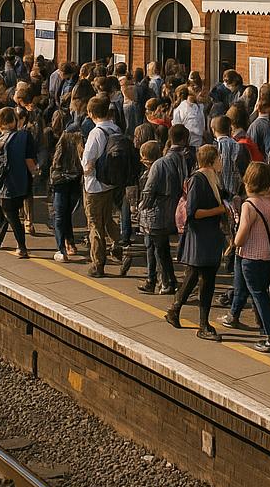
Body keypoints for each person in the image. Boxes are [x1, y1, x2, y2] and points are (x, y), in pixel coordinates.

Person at [165, 143, 228, 341]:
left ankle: (175, 310)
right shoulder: (199, 180)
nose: (221, 162)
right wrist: (219, 210)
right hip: (201, 238)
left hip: (208, 237)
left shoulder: (213, 179)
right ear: (211, 160)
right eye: (218, 158)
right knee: (205, 280)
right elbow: (192, 211)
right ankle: (203, 324)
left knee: (194, 276)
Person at [232, 160, 270, 353]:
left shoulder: (249, 205)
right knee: (262, 294)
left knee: (259, 295)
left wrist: (234, 242)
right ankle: (267, 329)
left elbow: (242, 235)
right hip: (268, 256)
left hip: (251, 257)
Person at [81, 96, 130, 278]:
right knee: (108, 218)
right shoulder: (115, 129)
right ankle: (123, 248)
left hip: (95, 186)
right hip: (111, 183)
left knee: (95, 224)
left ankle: (97, 264)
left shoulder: (96, 133)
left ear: (91, 113)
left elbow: (88, 162)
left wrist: (85, 171)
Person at [139, 124, 188, 294]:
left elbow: (148, 191)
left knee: (160, 250)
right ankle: (159, 280)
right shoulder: (183, 159)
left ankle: (166, 282)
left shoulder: (160, 164)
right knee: (160, 248)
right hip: (172, 210)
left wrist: (141, 207)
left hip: (156, 214)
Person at [0, 106, 37, 258]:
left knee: (11, 215)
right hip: (22, 182)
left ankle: (21, 247)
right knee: (12, 213)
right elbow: (29, 159)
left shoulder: (0, 141)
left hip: (4, 185)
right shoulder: (25, 136)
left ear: (0, 123)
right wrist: (35, 172)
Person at [49, 130, 84, 262]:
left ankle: (61, 249)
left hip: (60, 182)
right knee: (67, 214)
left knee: (59, 216)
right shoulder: (80, 147)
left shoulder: (62, 144)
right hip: (75, 181)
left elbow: (55, 163)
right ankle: (70, 243)